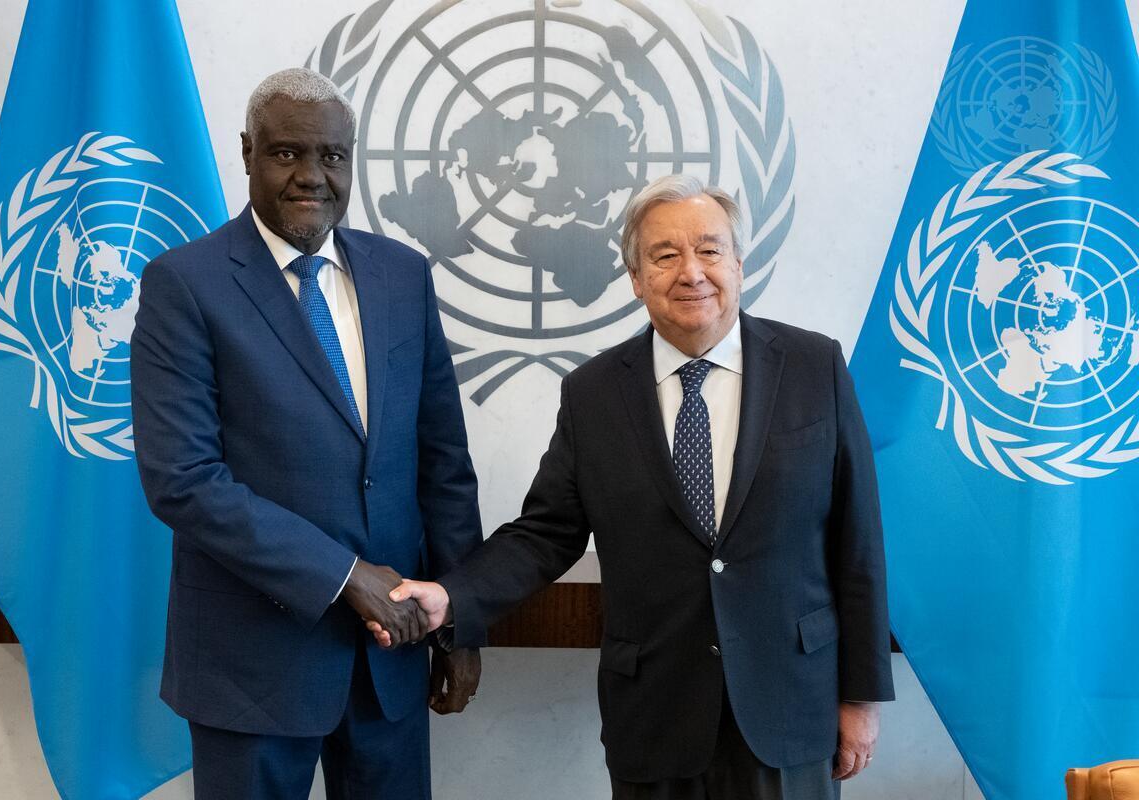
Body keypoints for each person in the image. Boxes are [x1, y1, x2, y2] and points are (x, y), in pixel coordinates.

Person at [371, 175, 895, 799]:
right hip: (655, 715)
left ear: (738, 262)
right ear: (637, 279)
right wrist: (451, 596)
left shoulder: (815, 367)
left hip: (790, 706)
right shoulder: (593, 394)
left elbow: (858, 541)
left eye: (709, 250)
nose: (691, 272)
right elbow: (545, 534)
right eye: (665, 256)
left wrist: (861, 697)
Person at [130, 67, 482, 800]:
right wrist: (346, 576)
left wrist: (460, 620)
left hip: (392, 655)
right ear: (247, 152)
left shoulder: (402, 275)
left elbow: (443, 460)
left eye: (332, 156)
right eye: (287, 153)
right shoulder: (185, 284)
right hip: (251, 667)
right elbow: (183, 481)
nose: (312, 176)